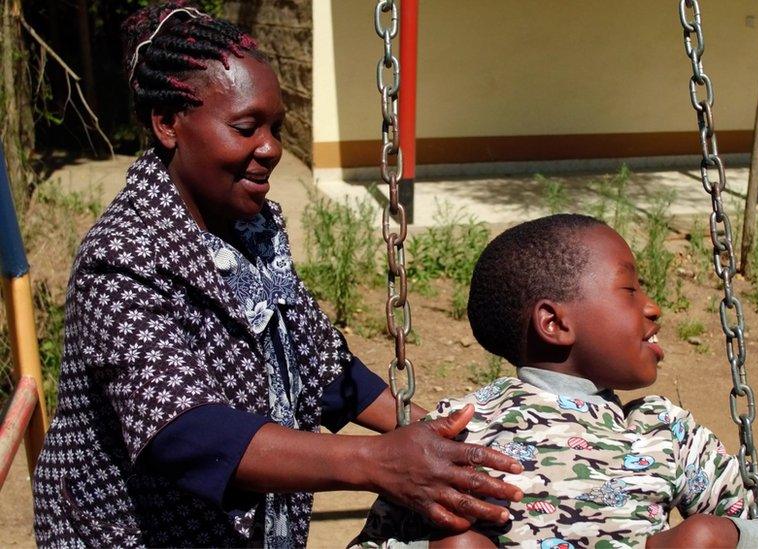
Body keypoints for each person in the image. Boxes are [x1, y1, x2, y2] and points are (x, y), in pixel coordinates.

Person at [31, 3, 523, 547]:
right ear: (168, 123)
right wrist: (376, 461)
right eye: (245, 127)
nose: (271, 149)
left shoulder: (254, 227)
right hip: (135, 532)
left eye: (276, 127)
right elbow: (182, 431)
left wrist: (436, 435)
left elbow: (320, 363)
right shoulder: (123, 256)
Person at [354, 214, 758, 548]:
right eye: (629, 288)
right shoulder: (463, 432)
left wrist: (722, 538)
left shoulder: (665, 432)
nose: (652, 306)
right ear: (554, 324)